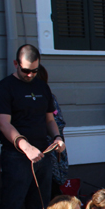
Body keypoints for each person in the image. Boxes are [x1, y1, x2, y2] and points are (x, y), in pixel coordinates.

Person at [0, 44, 66, 209]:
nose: (30, 74)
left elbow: (49, 120)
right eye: (26, 71)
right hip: (17, 157)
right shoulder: (5, 87)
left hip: (42, 155)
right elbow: (4, 124)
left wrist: (57, 138)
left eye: (34, 70)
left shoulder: (42, 87)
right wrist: (25, 146)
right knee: (11, 208)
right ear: (16, 64)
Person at [36, 65, 69, 197]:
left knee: (51, 188)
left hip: (51, 150)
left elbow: (57, 122)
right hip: (34, 151)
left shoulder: (49, 98)